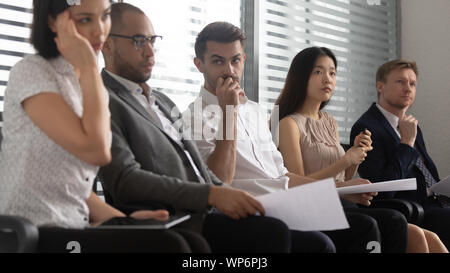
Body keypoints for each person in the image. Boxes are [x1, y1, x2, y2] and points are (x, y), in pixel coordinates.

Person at [98, 3, 331, 253]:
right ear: (106, 45)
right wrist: (214, 194)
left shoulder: (162, 101)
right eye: (138, 41)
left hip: (224, 206)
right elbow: (126, 179)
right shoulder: (104, 100)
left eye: (152, 40)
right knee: (291, 236)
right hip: (181, 214)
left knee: (345, 227)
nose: (150, 51)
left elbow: (203, 172)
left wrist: (217, 192)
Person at [0, 0, 208, 253]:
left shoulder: (84, 83)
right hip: (37, 230)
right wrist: (89, 66)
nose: (100, 31)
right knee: (171, 247)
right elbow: (98, 151)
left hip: (75, 226)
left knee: (192, 243)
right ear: (54, 21)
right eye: (86, 19)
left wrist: (120, 219)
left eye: (105, 16)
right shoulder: (32, 73)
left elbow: (71, 187)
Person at [184, 22, 402, 253]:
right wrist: (228, 113)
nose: (229, 69)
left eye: (235, 60)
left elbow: (284, 176)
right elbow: (219, 183)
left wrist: (342, 188)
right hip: (254, 212)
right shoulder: (193, 117)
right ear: (199, 65)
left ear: (244, 60)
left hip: (289, 202)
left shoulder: (255, 111)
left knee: (391, 222)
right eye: (218, 61)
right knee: (355, 231)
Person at [275, 47, 447, 253]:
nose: (327, 79)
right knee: (392, 221)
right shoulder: (288, 124)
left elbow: (342, 178)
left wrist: (356, 155)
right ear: (301, 76)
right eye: (318, 72)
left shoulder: (329, 121)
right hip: (315, 207)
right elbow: (299, 184)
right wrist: (347, 160)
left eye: (332, 73)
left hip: (340, 201)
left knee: (422, 235)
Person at [350, 59, 450, 250]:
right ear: (380, 86)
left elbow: (428, 175)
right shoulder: (367, 127)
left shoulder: (411, 125)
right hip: (412, 209)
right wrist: (406, 143)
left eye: (412, 84)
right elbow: (381, 189)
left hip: (437, 202)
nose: (408, 88)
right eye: (400, 82)